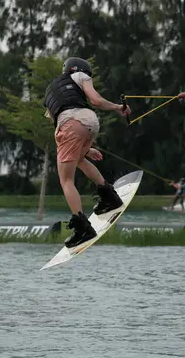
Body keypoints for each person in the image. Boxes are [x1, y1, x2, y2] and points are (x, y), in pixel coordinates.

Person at [44, 57, 131, 248]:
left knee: (66, 180)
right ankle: (110, 198)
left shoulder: (50, 93)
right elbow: (95, 101)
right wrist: (118, 107)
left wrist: (118, 107)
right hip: (90, 121)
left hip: (68, 124)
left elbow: (58, 123)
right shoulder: (81, 76)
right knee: (80, 159)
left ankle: (83, 228)